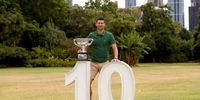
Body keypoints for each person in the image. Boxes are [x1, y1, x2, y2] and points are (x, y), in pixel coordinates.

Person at [88, 17, 118, 99]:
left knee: (105, 84)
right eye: (99, 23)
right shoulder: (91, 35)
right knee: (87, 84)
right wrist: (81, 52)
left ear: (104, 24)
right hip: (93, 63)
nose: (100, 24)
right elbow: (86, 46)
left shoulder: (109, 35)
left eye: (102, 23)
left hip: (105, 63)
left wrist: (115, 57)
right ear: (96, 24)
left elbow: (114, 47)